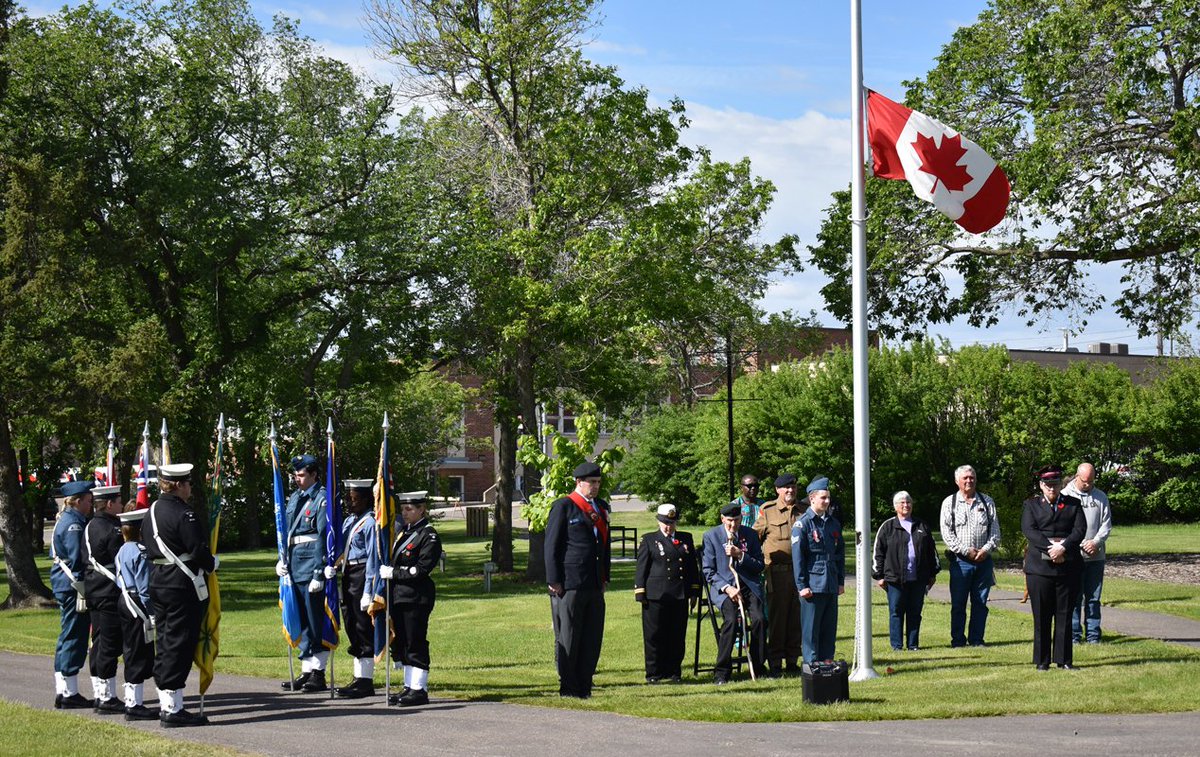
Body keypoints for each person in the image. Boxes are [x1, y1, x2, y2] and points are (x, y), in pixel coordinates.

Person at [142, 462, 216, 727]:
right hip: (181, 584)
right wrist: (212, 563)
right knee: (179, 643)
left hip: (159, 581)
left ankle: (167, 704)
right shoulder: (185, 514)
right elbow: (196, 548)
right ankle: (173, 710)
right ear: (178, 485)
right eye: (188, 483)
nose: (190, 488)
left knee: (165, 641)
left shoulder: (151, 511)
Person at [544, 461, 611, 699]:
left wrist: (605, 576)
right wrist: (554, 579)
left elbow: (604, 547)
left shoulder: (601, 508)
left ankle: (585, 684)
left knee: (592, 637)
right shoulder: (564, 506)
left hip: (593, 582)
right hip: (570, 582)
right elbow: (551, 545)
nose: (595, 487)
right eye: (591, 482)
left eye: (598, 483)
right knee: (570, 636)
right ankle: (569, 686)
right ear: (578, 482)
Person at [1022, 465, 1086, 670]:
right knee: (1041, 616)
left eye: (1055, 484)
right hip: (1039, 569)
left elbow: (1079, 530)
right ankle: (1042, 661)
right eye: (1048, 485)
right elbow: (1029, 530)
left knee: (1065, 615)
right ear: (1041, 485)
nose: (1052, 488)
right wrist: (1052, 549)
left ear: (1061, 485)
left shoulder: (1073, 504)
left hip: (1067, 567)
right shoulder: (1031, 505)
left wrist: (1063, 548)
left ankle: (1064, 660)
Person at [380, 491, 441, 706]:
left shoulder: (428, 535)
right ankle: (409, 686)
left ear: (422, 509)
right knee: (404, 642)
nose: (405, 513)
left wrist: (394, 573)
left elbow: (421, 569)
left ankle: (419, 689)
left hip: (416, 596)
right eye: (403, 509)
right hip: (400, 596)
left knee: (415, 642)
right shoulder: (402, 534)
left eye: (410, 509)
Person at [276, 454, 330, 692]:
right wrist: (282, 559)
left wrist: (319, 572)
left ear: (313, 475)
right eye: (295, 475)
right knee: (302, 621)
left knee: (315, 621)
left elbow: (323, 538)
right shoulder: (296, 498)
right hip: (295, 566)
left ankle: (318, 673)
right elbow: (287, 533)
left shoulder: (321, 499)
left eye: (301, 475)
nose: (297, 480)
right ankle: (307, 670)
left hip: (311, 567)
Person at [633, 504, 700, 684]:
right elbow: (642, 567)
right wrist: (640, 591)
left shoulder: (686, 538)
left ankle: (673, 671)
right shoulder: (649, 540)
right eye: (664, 522)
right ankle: (654, 673)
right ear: (658, 521)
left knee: (677, 635)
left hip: (679, 594)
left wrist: (694, 590)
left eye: (671, 522)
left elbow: (692, 567)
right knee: (654, 635)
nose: (668, 526)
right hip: (656, 595)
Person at [701, 502, 765, 684]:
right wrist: (727, 588)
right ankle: (722, 671)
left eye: (736, 521)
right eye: (729, 521)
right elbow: (708, 571)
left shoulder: (750, 535)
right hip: (725, 588)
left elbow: (759, 565)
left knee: (760, 619)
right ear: (722, 519)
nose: (733, 525)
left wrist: (740, 555)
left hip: (748, 586)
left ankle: (759, 666)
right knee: (730, 621)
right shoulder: (711, 536)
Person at [940, 464, 1001, 647]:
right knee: (958, 604)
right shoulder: (949, 503)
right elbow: (947, 534)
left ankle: (977, 639)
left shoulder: (987, 501)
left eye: (972, 477)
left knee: (980, 603)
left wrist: (985, 550)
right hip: (960, 562)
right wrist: (967, 550)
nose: (969, 481)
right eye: (965, 478)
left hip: (983, 561)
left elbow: (996, 532)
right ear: (957, 481)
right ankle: (958, 640)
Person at [872, 491, 939, 651]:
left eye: (908, 502)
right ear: (895, 506)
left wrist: (932, 574)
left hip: (918, 578)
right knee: (896, 612)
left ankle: (913, 644)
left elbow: (932, 551)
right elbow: (878, 553)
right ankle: (896, 646)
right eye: (902, 502)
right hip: (894, 579)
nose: (906, 505)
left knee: (915, 612)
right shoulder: (887, 527)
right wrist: (879, 576)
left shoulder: (921, 525)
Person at [752, 473, 803, 676]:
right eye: (786, 488)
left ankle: (792, 660)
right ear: (777, 490)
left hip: (799, 573)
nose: (790, 491)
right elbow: (754, 538)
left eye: (793, 487)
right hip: (777, 573)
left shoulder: (804, 511)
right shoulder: (768, 511)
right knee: (777, 618)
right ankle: (775, 662)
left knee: (796, 618)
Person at [50, 480, 95, 709]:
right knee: (74, 636)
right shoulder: (74, 525)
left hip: (65, 584)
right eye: (88, 501)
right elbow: (78, 559)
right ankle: (69, 692)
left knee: (68, 634)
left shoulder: (68, 519)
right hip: (73, 586)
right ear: (78, 502)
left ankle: (64, 688)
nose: (90, 505)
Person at [82, 485, 127, 714]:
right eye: (119, 501)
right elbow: (119, 559)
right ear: (109, 504)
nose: (121, 505)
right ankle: (108, 697)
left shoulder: (90, 526)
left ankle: (100, 692)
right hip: (109, 591)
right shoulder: (112, 530)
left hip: (94, 590)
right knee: (109, 643)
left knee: (99, 641)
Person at [792, 477, 846, 664]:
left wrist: (840, 581)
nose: (827, 501)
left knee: (828, 630)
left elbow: (839, 554)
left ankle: (827, 664)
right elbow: (798, 558)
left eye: (828, 498)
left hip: (830, 584)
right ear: (812, 498)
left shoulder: (833, 523)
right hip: (812, 586)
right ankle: (812, 667)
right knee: (811, 631)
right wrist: (802, 585)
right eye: (823, 498)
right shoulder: (803, 524)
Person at [334, 480, 378, 699]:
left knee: (362, 626)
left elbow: (373, 557)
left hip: (361, 574)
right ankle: (358, 676)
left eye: (354, 499)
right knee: (351, 622)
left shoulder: (369, 523)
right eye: (348, 499)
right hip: (348, 573)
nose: (349, 504)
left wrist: (369, 589)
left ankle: (366, 680)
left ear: (366, 499)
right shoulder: (351, 521)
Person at [1062, 463, 1112, 644]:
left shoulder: (1101, 497)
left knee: (1093, 598)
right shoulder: (1065, 496)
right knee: (1074, 597)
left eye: (1091, 481)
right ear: (1077, 477)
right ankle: (1074, 635)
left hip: (1095, 557)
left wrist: (1096, 542)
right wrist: (1082, 543)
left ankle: (1093, 635)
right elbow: (1063, 526)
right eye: (1085, 481)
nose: (1088, 485)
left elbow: (1106, 524)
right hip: (1073, 556)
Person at [115, 506, 157, 720]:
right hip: (137, 604)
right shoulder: (140, 552)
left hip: (124, 599)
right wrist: (152, 614)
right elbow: (144, 588)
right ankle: (134, 704)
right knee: (137, 652)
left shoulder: (123, 549)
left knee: (132, 650)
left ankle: (133, 701)